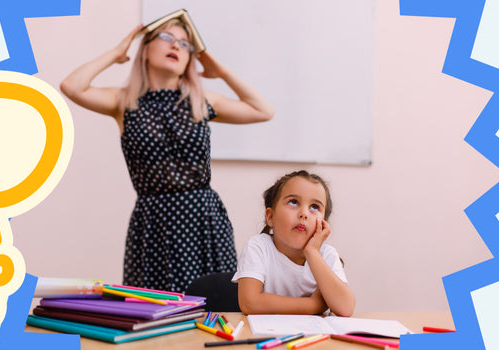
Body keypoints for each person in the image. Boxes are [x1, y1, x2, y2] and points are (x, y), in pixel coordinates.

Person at [59, 19, 274, 293]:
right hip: (153, 223)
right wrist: (116, 53)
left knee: (216, 306)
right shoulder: (124, 101)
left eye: (185, 44)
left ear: (189, 60)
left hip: (203, 219)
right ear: (145, 49)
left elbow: (263, 110)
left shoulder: (200, 100)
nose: (176, 45)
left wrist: (221, 71)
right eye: (166, 37)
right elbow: (71, 86)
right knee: (154, 314)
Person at [233, 170, 355, 316]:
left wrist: (312, 252)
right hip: (266, 336)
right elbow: (249, 303)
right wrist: (313, 305)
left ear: (324, 224)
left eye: (314, 207)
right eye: (293, 202)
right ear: (271, 217)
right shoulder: (258, 247)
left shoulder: (326, 254)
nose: (304, 213)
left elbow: (345, 308)